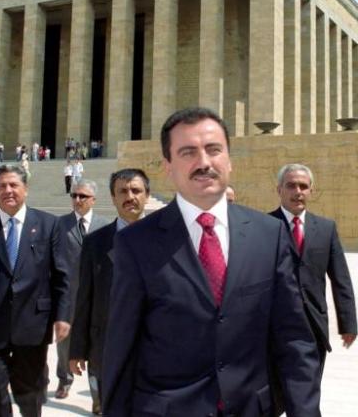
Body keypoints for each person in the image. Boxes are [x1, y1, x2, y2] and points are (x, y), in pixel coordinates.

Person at [102, 107, 321, 417]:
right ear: (168, 166)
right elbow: (121, 348)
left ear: (229, 160)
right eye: (188, 152)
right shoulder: (136, 243)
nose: (203, 162)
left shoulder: (269, 235)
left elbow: (294, 338)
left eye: (213, 150)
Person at [0, 164, 71, 417]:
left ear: (26, 189)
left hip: (32, 324)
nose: (7, 190)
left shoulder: (48, 224)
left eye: (13, 185)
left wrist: (63, 316)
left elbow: (62, 276)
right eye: (2, 186)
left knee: (30, 393)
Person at [269, 163, 357, 411]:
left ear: (311, 191)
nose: (298, 191)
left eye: (303, 186)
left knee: (306, 400)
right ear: (279, 190)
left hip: (312, 328)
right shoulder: (263, 226)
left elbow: (341, 278)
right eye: (291, 186)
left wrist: (348, 324)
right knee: (272, 399)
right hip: (271, 329)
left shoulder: (326, 228)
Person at [70, 168, 150, 416]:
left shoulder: (168, 238)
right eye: (122, 191)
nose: (130, 196)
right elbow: (85, 298)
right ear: (113, 198)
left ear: (147, 195)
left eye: (136, 190)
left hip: (155, 349)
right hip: (108, 348)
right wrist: (77, 349)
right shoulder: (96, 242)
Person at [55, 179, 109, 400]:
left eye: (83, 196)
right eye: (74, 195)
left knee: (96, 345)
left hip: (96, 296)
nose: (77, 200)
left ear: (93, 199)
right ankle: (64, 379)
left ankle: (97, 396)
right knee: (64, 342)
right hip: (68, 295)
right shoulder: (59, 225)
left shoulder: (105, 226)